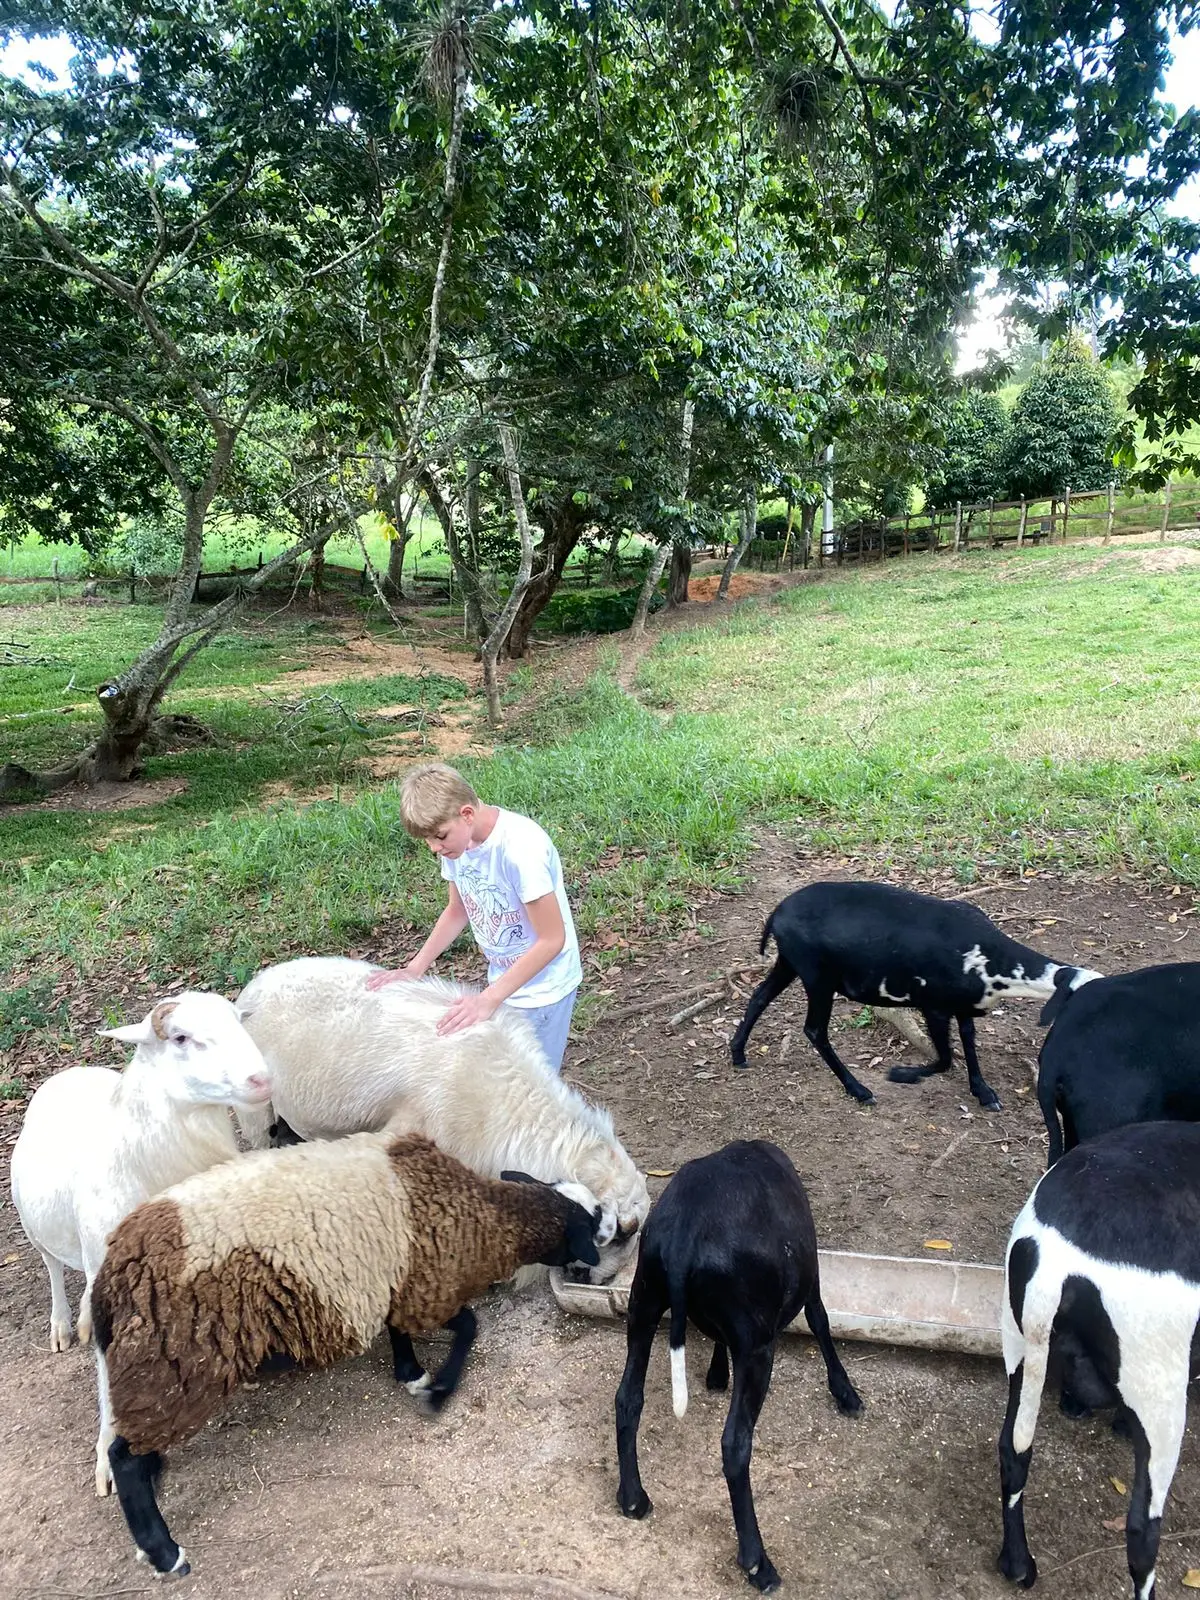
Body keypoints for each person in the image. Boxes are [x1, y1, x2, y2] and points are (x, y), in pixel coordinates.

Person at [366, 763, 582, 1072]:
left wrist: (488, 999)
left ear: (466, 814)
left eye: (439, 836)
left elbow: (552, 940)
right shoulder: (458, 847)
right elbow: (458, 909)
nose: (434, 848)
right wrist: (415, 968)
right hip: (504, 981)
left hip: (543, 991)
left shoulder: (521, 850)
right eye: (427, 840)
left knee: (532, 1089)